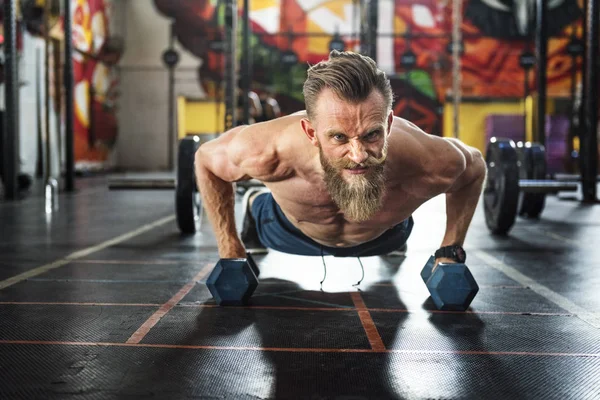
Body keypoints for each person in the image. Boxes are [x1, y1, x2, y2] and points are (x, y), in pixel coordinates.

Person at [194, 51, 486, 271]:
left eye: (372, 135)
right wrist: (230, 249)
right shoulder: (268, 149)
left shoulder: (428, 158)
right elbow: (206, 160)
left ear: (390, 122)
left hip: (386, 237)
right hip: (286, 233)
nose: (358, 155)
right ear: (311, 132)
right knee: (264, 207)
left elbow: (475, 168)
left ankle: (396, 218)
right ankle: (257, 204)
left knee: (388, 203)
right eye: (339, 138)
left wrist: (450, 251)